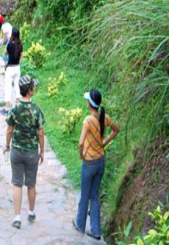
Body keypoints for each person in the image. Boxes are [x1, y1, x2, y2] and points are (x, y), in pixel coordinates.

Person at [73, 89, 120, 241]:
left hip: (89, 163)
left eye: (87, 100)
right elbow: (116, 129)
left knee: (85, 195)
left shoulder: (88, 120)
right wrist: (104, 143)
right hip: (100, 161)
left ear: (89, 104)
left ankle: (80, 224)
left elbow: (80, 142)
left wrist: (82, 155)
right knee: (94, 196)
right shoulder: (104, 117)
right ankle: (96, 231)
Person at [5, 75, 45, 229]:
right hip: (31, 152)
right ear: (30, 91)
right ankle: (31, 212)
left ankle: (17, 217)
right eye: (33, 86)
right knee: (31, 184)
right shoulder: (36, 111)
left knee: (16, 183)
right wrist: (42, 151)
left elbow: (9, 130)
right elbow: (40, 133)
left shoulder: (14, 109)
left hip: (16, 150)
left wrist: (7, 145)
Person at [1, 27, 22, 116]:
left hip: (10, 68)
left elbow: (5, 53)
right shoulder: (20, 44)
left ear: (12, 34)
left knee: (8, 87)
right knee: (17, 86)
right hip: (17, 67)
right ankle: (17, 105)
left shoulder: (10, 44)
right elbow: (22, 56)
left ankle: (7, 107)